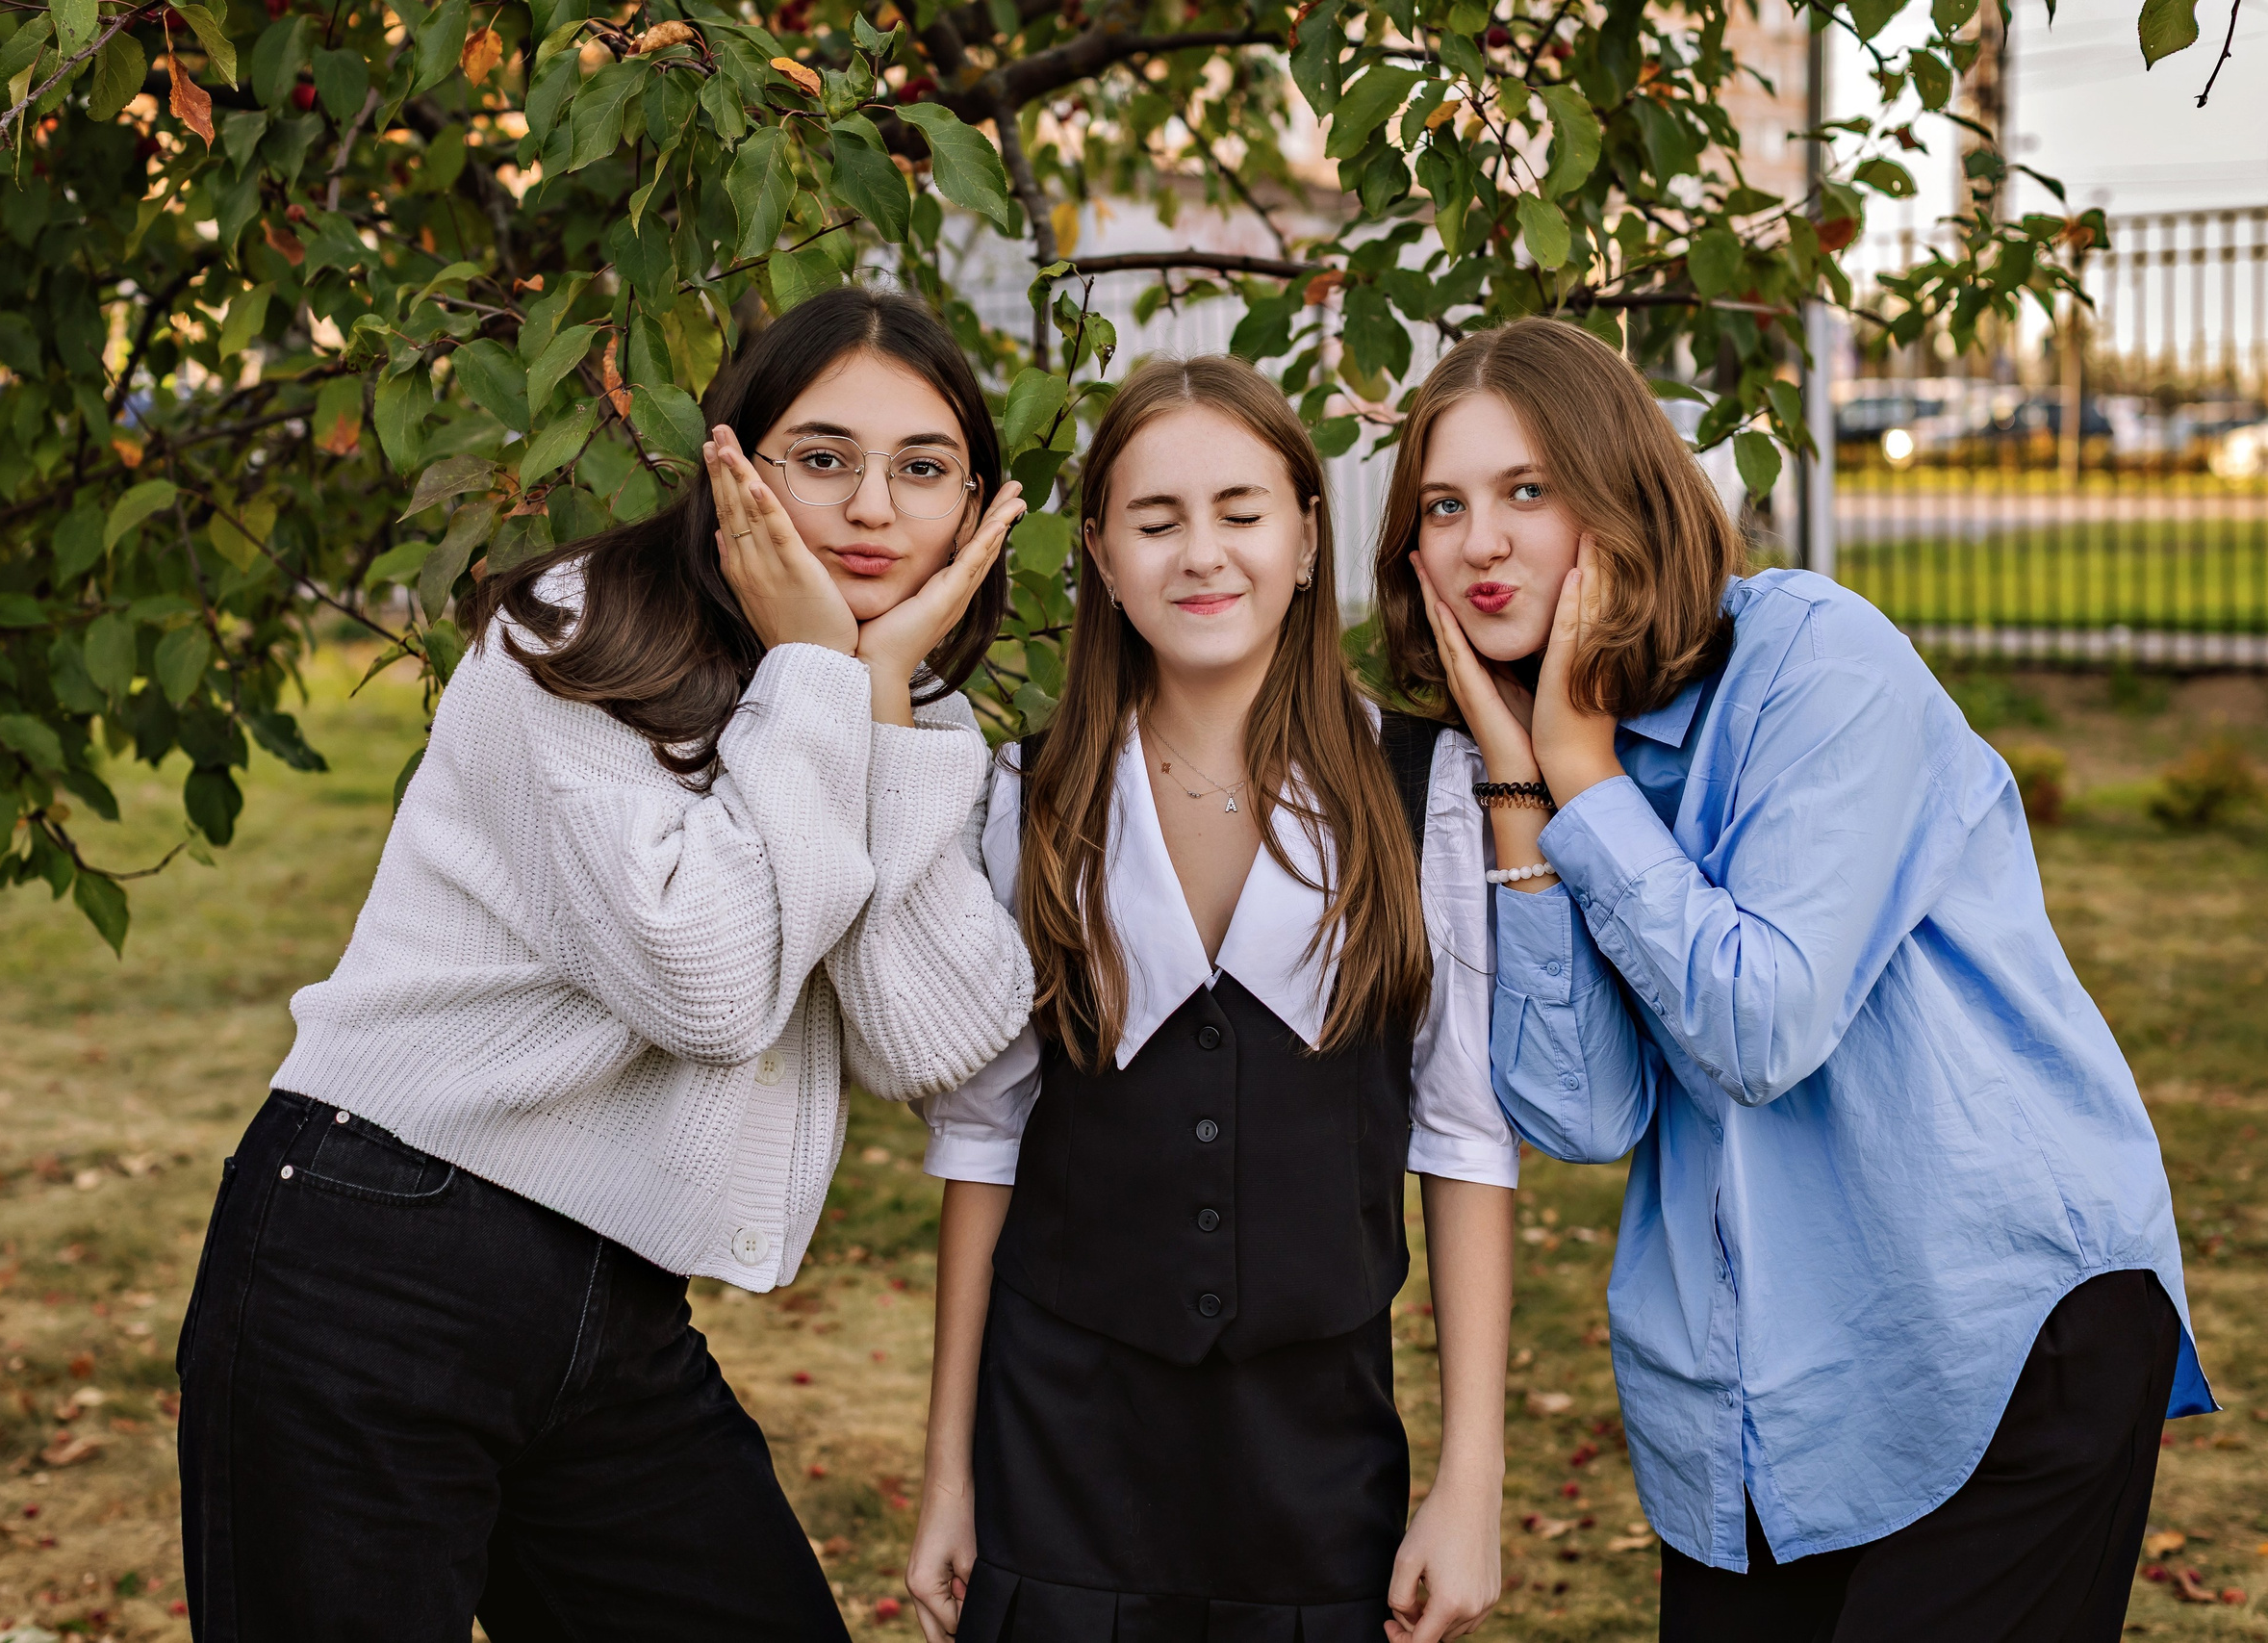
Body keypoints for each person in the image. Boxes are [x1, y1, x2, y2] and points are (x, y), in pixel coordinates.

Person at [175, 285, 1032, 1642]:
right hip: (372, 1261)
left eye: (923, 469)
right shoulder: (573, 632)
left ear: (978, 507)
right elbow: (705, 985)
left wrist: (874, 698)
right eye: (823, 459)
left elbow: (932, 1036)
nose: (874, 509)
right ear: (732, 464)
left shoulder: (898, 703)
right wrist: (823, 677)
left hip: (615, 1310)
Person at [1376, 316, 2214, 1641]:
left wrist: (1583, 775)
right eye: (1444, 504)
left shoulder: (1816, 660)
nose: (1481, 541)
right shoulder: (1524, 759)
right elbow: (1584, 1115)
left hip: (1988, 1342)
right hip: (1754, 1403)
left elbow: (1758, 1027)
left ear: (1619, 491)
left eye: (1527, 490)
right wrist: (1525, 790)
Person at [905, 355, 1525, 1643]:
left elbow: (1465, 1138)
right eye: (1155, 519)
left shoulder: (1428, 795)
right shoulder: (1023, 799)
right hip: (1060, 1449)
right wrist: (949, 1473)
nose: (1203, 554)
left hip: (1316, 1466)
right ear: (1099, 559)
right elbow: (982, 1139)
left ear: (1308, 537)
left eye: (1242, 512)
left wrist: (1472, 1478)